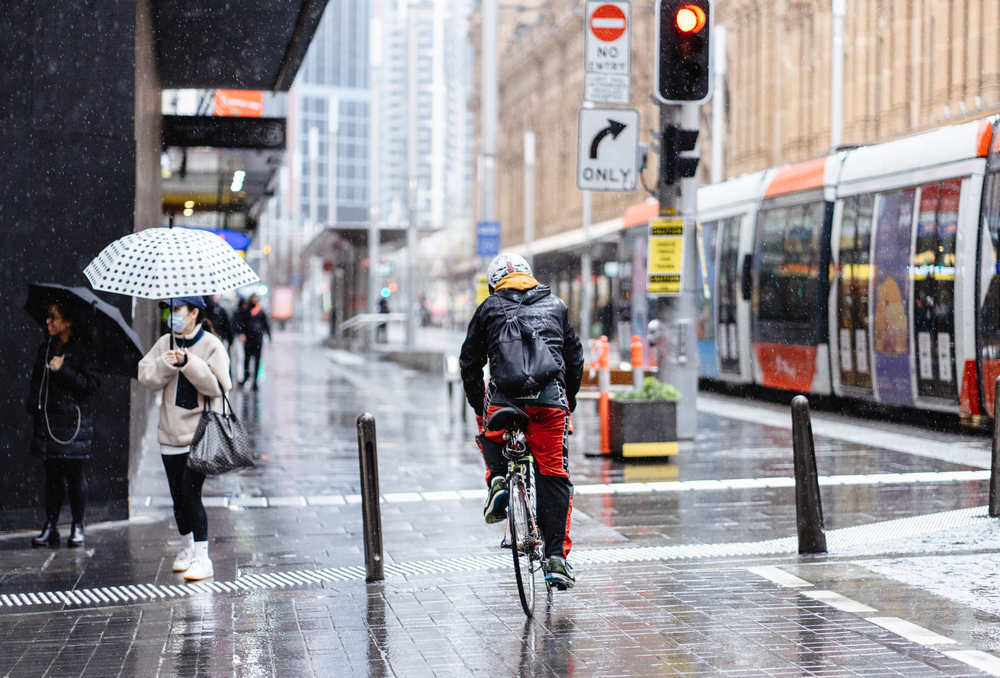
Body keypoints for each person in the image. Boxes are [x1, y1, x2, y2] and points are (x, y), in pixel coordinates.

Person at [460, 253, 584, 589]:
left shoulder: (489, 308)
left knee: (490, 432)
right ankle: (557, 558)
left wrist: (478, 409)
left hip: (504, 399)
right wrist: (567, 400)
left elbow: (469, 364)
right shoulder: (556, 305)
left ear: (494, 283)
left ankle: (499, 480)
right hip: (548, 402)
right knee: (554, 474)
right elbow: (575, 359)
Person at [138, 297, 231, 581]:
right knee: (179, 499)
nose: (173, 316)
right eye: (171, 310)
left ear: (194, 313)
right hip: (169, 433)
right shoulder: (166, 342)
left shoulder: (211, 345)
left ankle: (203, 557)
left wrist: (189, 362)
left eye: (178, 310)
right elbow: (146, 376)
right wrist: (167, 365)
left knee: (191, 494)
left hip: (199, 435)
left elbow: (218, 386)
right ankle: (189, 548)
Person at [26, 302, 99, 548]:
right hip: (49, 420)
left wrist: (63, 369)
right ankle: (50, 525)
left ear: (67, 322)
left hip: (74, 424)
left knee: (75, 476)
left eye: (53, 318)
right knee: (52, 477)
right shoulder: (45, 347)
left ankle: (78, 525)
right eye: (47, 317)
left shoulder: (83, 351)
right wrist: (34, 408)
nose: (48, 322)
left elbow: (90, 386)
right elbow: (37, 381)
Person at [234, 294, 271, 391]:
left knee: (257, 361)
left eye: (256, 299)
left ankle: (255, 381)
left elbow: (266, 325)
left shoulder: (261, 312)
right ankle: (246, 377)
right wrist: (241, 333)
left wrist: (270, 339)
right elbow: (240, 323)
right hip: (248, 339)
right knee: (247, 360)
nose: (254, 300)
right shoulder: (246, 311)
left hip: (258, 339)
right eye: (253, 299)